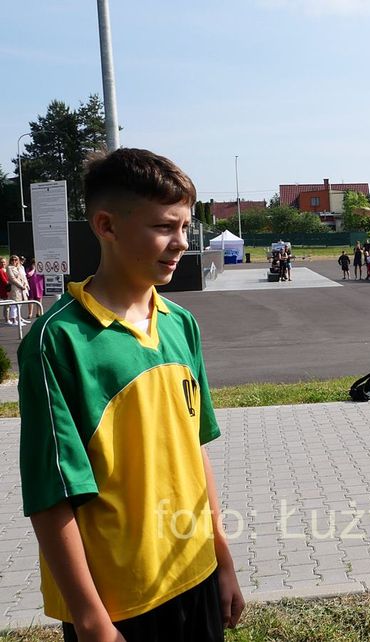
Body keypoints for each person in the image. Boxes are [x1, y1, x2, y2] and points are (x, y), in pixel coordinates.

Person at [19, 148, 243, 641]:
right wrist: (92, 620)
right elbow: (49, 497)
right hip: (118, 603)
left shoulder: (181, 324)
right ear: (106, 226)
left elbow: (195, 449)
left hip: (195, 573)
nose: (181, 242)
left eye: (186, 227)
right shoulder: (58, 341)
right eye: (165, 227)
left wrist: (222, 558)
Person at [7, 256, 29, 326]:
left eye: (16, 260)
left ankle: (19, 318)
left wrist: (26, 284)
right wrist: (21, 286)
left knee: (20, 304)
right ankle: (14, 320)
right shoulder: (9, 268)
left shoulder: (20, 267)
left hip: (22, 288)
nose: (14, 261)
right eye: (12, 260)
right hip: (15, 288)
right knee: (14, 304)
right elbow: (12, 279)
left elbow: (24, 277)